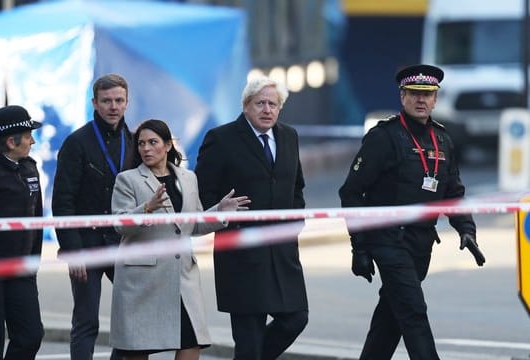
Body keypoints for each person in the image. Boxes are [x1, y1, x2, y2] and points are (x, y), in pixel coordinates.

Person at [339, 64, 486, 360]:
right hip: (388, 239)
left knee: (391, 317)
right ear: (402, 97)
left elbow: (453, 193)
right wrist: (360, 246)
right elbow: (351, 192)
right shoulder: (384, 137)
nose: (421, 100)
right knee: (414, 311)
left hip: (421, 243)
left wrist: (466, 229)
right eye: (414, 94)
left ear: (435, 100)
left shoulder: (443, 139)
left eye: (427, 94)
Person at [109, 119, 250, 360]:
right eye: (141, 143)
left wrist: (219, 212)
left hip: (181, 277)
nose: (146, 149)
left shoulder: (187, 178)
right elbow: (120, 225)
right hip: (142, 280)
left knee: (191, 343)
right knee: (138, 348)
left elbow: (192, 224)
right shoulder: (127, 179)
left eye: (153, 142)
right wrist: (146, 209)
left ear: (167, 146)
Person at [195, 76, 309, 360]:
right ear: (246, 105)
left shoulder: (288, 136)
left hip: (281, 250)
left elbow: (297, 186)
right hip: (241, 253)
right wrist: (220, 210)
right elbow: (203, 190)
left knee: (296, 318)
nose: (267, 109)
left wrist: (295, 221)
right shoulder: (221, 139)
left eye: (273, 104)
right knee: (249, 337)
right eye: (260, 103)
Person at [52, 73, 135, 360]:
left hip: (122, 244)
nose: (113, 106)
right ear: (94, 103)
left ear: (127, 103)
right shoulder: (77, 142)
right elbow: (62, 201)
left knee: (132, 316)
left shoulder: (135, 140)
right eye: (107, 101)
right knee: (86, 320)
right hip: (86, 244)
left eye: (119, 100)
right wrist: (73, 250)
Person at [0, 105, 44, 360]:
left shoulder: (30, 168)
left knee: (31, 335)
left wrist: (33, 260)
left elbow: (37, 219)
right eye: (28, 135)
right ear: (11, 141)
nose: (33, 140)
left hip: (21, 269)